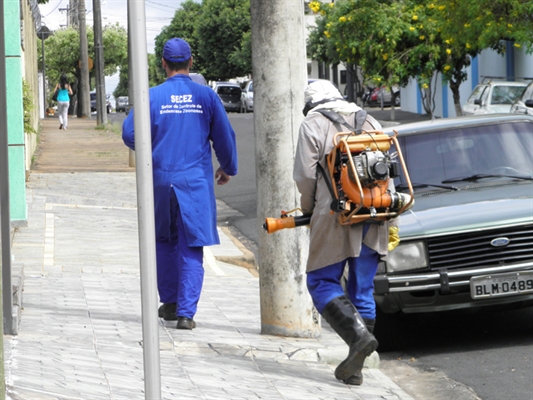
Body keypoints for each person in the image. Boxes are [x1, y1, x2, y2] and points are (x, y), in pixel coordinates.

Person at [122, 38, 238, 330]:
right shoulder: (206, 97)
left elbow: (129, 134)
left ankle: (170, 303)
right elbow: (224, 137)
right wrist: (227, 168)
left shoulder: (151, 96)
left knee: (163, 240)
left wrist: (153, 150)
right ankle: (186, 313)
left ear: (162, 63)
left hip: (161, 180)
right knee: (191, 245)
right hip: (195, 182)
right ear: (191, 62)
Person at [293, 80, 399, 385]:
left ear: (311, 104)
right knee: (362, 289)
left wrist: (309, 209)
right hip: (375, 211)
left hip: (334, 213)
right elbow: (387, 171)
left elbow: (303, 176)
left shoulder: (312, 123)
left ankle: (357, 340)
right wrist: (389, 218)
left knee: (321, 281)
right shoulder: (369, 119)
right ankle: (357, 368)